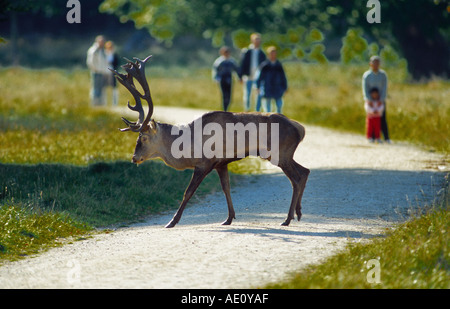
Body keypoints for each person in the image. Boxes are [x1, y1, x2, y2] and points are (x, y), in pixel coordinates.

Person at [362, 55, 390, 143]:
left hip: (380, 100)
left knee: (382, 118)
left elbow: (385, 87)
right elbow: (365, 88)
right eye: (374, 63)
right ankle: (372, 137)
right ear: (370, 64)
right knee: (371, 119)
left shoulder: (383, 75)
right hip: (370, 100)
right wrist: (368, 99)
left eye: (377, 63)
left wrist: (381, 99)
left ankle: (386, 137)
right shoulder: (367, 75)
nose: (376, 65)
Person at [238, 33, 266, 111]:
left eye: (258, 40)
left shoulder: (262, 53)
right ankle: (247, 109)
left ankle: (258, 110)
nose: (257, 41)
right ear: (252, 40)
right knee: (247, 93)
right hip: (248, 76)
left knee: (259, 93)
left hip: (258, 77)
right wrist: (240, 76)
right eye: (255, 39)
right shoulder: (247, 51)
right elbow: (242, 64)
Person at [256, 46, 288, 114]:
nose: (273, 55)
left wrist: (285, 87)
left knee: (279, 106)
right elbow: (260, 77)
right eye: (271, 53)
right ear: (268, 54)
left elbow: (283, 77)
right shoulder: (265, 65)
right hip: (267, 87)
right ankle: (268, 122)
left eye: (274, 53)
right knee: (267, 108)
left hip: (277, 88)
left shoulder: (278, 65)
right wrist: (258, 87)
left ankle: (279, 122)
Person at [212, 46, 239, 111]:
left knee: (229, 96)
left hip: (229, 79)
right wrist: (216, 78)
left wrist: (239, 77)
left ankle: (227, 108)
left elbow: (236, 70)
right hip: (222, 79)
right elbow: (215, 70)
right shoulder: (219, 61)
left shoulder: (231, 61)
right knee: (224, 95)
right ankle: (224, 109)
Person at [86, 35, 110, 106]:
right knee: (95, 89)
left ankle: (101, 104)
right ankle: (95, 104)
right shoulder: (93, 50)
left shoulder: (102, 51)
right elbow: (90, 62)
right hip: (96, 73)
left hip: (102, 72)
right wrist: (95, 69)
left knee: (102, 89)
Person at [105, 40, 120, 106]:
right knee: (104, 88)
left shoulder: (114, 54)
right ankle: (105, 103)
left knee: (114, 88)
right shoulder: (104, 54)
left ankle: (115, 103)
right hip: (105, 72)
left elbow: (117, 63)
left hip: (113, 72)